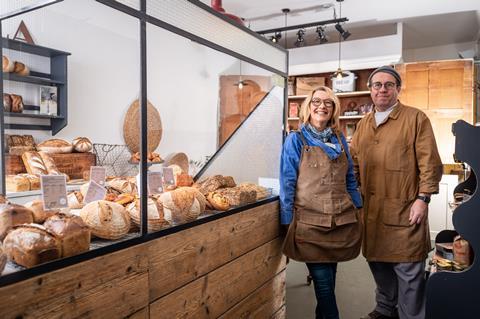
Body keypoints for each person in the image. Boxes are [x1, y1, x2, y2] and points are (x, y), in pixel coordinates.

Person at [350, 66, 443, 319]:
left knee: (408, 269)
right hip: (372, 211)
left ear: (398, 89)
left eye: (388, 84)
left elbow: (430, 163)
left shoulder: (415, 118)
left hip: (405, 208)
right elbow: (354, 163)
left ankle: (411, 315)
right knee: (378, 263)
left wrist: (423, 199)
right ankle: (385, 308)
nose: (382, 89)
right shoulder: (364, 124)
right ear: (370, 90)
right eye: (377, 85)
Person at [280, 86, 363, 319]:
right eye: (316, 101)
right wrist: (286, 220)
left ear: (334, 109)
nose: (322, 106)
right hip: (310, 224)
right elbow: (287, 182)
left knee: (329, 285)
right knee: (325, 288)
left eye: (328, 103)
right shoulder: (295, 140)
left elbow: (349, 179)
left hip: (340, 222)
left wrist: (358, 209)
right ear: (308, 107)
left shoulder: (339, 139)